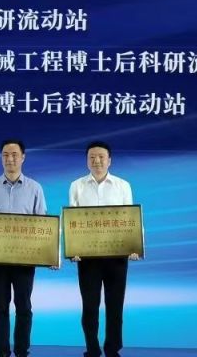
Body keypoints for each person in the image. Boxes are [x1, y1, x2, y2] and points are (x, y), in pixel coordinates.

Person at [68, 141, 140, 357]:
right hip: (87, 257)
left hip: (117, 256)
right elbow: (71, 220)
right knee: (90, 306)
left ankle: (112, 348)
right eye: (92, 157)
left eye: (101, 157)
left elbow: (131, 219)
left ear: (109, 160)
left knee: (115, 305)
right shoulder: (77, 186)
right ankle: (92, 348)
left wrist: (135, 246)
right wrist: (72, 248)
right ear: (87, 161)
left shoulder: (123, 185)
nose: (96, 161)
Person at [0, 139, 49, 357]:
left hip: (25, 260)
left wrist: (49, 254)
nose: (10, 159)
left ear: (23, 157)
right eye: (5, 155)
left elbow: (43, 224)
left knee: (23, 306)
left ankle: (21, 351)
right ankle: (1, 351)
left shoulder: (35, 188)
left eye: (14, 155)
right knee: (0, 307)